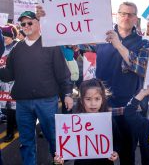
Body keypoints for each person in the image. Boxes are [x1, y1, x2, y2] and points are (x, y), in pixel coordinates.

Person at [0, 11, 74, 165]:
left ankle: (57, 161)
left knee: (52, 136)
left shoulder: (51, 46)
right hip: (23, 102)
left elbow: (63, 73)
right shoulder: (17, 48)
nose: (26, 26)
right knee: (26, 141)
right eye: (23, 24)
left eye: (29, 22)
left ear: (39, 24)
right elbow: (9, 75)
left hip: (47, 101)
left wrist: (67, 94)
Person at [95, 2, 149, 165]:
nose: (126, 17)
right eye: (123, 13)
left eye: (130, 14)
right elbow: (71, 39)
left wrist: (118, 44)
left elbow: (143, 68)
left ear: (136, 19)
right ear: (117, 15)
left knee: (127, 155)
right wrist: (46, 19)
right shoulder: (100, 37)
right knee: (103, 155)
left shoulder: (144, 43)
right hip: (102, 108)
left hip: (130, 110)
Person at [54, 79, 119, 165]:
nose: (93, 103)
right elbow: (70, 148)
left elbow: (118, 141)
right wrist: (60, 159)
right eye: (88, 99)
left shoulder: (108, 121)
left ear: (102, 100)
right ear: (81, 100)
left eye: (97, 99)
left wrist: (115, 152)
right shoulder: (73, 123)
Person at [0, 25, 19, 142]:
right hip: (2, 83)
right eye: (3, 38)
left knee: (12, 108)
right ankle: (14, 125)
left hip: (13, 83)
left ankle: (10, 133)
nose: (5, 40)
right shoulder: (1, 47)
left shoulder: (17, 47)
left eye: (6, 38)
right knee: (6, 109)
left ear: (11, 37)